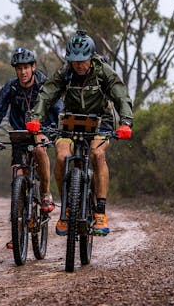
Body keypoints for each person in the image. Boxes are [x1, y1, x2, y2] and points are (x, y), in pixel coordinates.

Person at [27, 30, 133, 237]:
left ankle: (100, 212)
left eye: (82, 60)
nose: (79, 65)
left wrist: (126, 122)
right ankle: (67, 207)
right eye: (74, 61)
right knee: (61, 156)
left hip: (100, 122)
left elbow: (121, 95)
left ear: (91, 57)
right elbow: (47, 93)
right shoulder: (65, 72)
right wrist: (36, 117)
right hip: (70, 121)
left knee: (97, 154)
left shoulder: (103, 72)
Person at [0, 47, 61, 218]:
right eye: (19, 68)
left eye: (26, 68)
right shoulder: (12, 87)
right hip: (20, 133)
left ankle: (45, 194)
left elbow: (58, 107)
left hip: (43, 129)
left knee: (39, 149)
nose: (22, 72)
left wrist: (59, 129)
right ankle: (18, 225)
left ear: (33, 67)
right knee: (18, 174)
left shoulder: (45, 85)